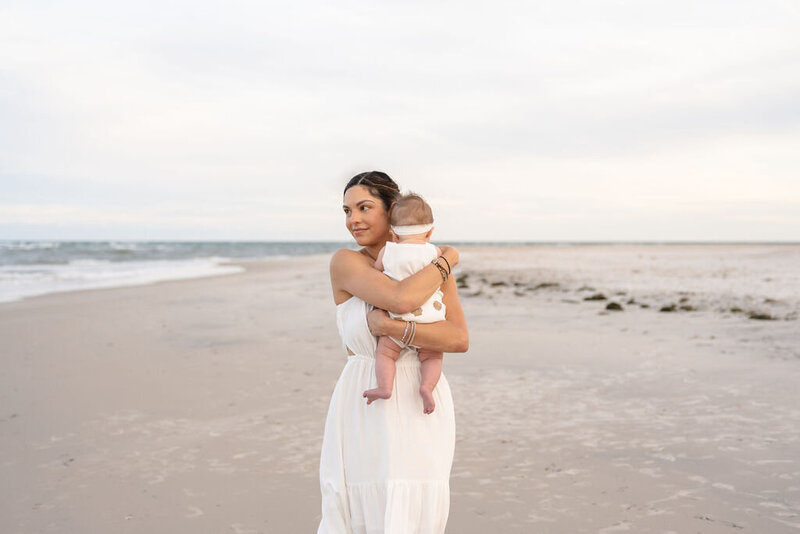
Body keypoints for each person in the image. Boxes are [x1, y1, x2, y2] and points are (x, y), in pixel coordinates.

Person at [318, 171, 469, 534]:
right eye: (347, 210)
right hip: (367, 399)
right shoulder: (346, 262)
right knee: (365, 507)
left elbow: (458, 339)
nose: (353, 219)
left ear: (392, 211)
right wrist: (448, 260)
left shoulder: (431, 267)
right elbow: (402, 298)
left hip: (422, 399)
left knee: (415, 508)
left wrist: (392, 328)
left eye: (364, 207)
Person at [363, 193, 446, 415]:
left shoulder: (388, 250)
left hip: (397, 318)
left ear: (394, 233)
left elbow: (376, 272)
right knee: (433, 356)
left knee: (386, 354)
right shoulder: (434, 251)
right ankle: (426, 387)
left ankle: (385, 387)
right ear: (430, 232)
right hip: (430, 320)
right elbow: (442, 273)